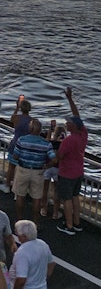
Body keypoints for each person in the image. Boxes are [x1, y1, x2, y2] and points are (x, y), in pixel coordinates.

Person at [51, 86, 88, 235]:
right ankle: (77, 222)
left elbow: (58, 157)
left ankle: (69, 225)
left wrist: (47, 163)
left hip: (66, 173)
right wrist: (70, 98)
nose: (66, 124)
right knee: (75, 197)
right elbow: (77, 116)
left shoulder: (68, 140)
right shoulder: (83, 134)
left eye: (68, 123)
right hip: (78, 171)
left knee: (66, 199)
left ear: (73, 126)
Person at [11, 119, 55, 224]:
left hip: (23, 169)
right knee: (37, 198)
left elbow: (15, 156)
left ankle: (19, 220)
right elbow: (54, 159)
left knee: (20, 195)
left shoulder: (22, 140)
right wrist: (47, 166)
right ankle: (35, 222)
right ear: (40, 130)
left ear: (30, 129)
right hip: (38, 172)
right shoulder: (46, 143)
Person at [1, 98, 33, 193]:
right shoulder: (32, 121)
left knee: (11, 166)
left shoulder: (17, 118)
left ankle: (7, 185)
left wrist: (16, 107)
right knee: (23, 168)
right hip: (26, 146)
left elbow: (12, 118)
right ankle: (19, 188)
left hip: (15, 143)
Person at [10, 220, 54, 289]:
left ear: (24, 236)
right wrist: (42, 280)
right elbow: (51, 263)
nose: (16, 235)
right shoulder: (43, 244)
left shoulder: (22, 252)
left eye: (17, 233)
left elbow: (21, 280)